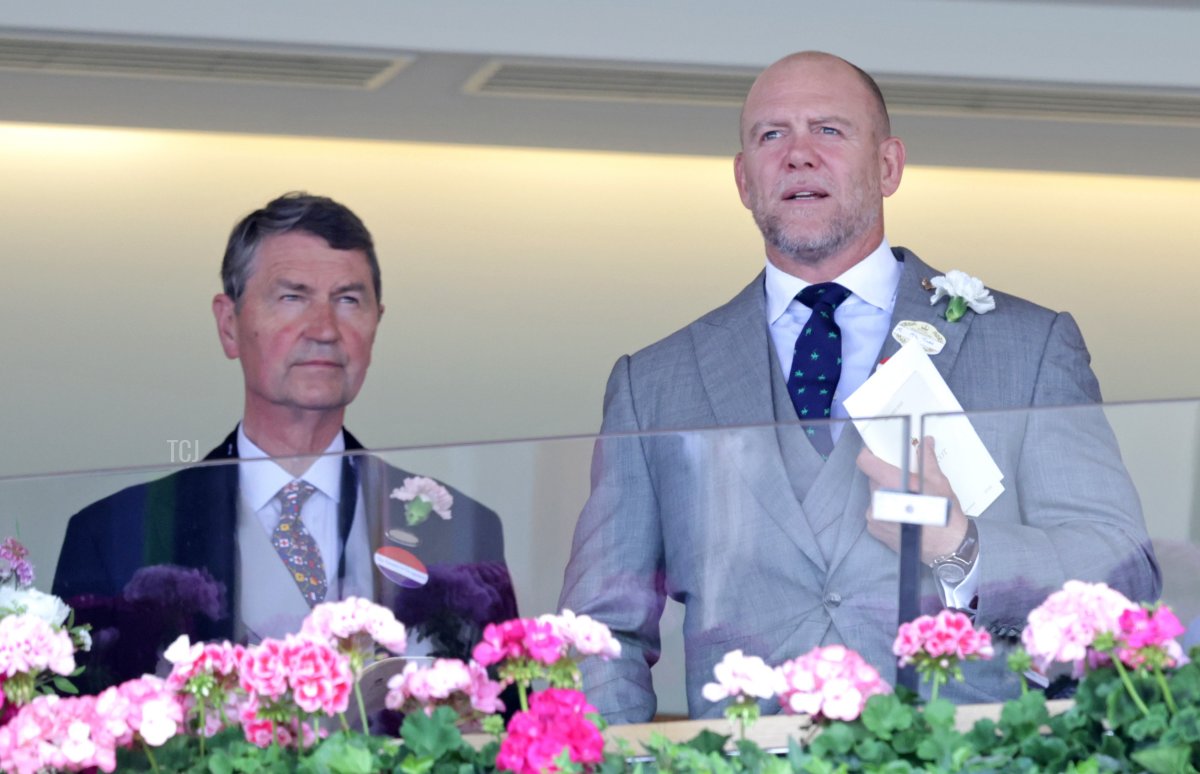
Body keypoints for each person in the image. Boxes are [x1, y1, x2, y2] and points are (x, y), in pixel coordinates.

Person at [558, 52, 1160, 723]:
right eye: (771, 134)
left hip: (961, 754)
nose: (798, 154)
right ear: (743, 179)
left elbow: (1122, 576)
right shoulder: (654, 383)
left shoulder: (1027, 347)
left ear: (888, 166)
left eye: (829, 130)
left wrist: (962, 548)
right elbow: (600, 631)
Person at [53, 193, 516, 688]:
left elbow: (502, 720)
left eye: (348, 300)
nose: (324, 330)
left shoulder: (458, 532)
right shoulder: (114, 536)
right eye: (293, 297)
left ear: (376, 324)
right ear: (229, 325)